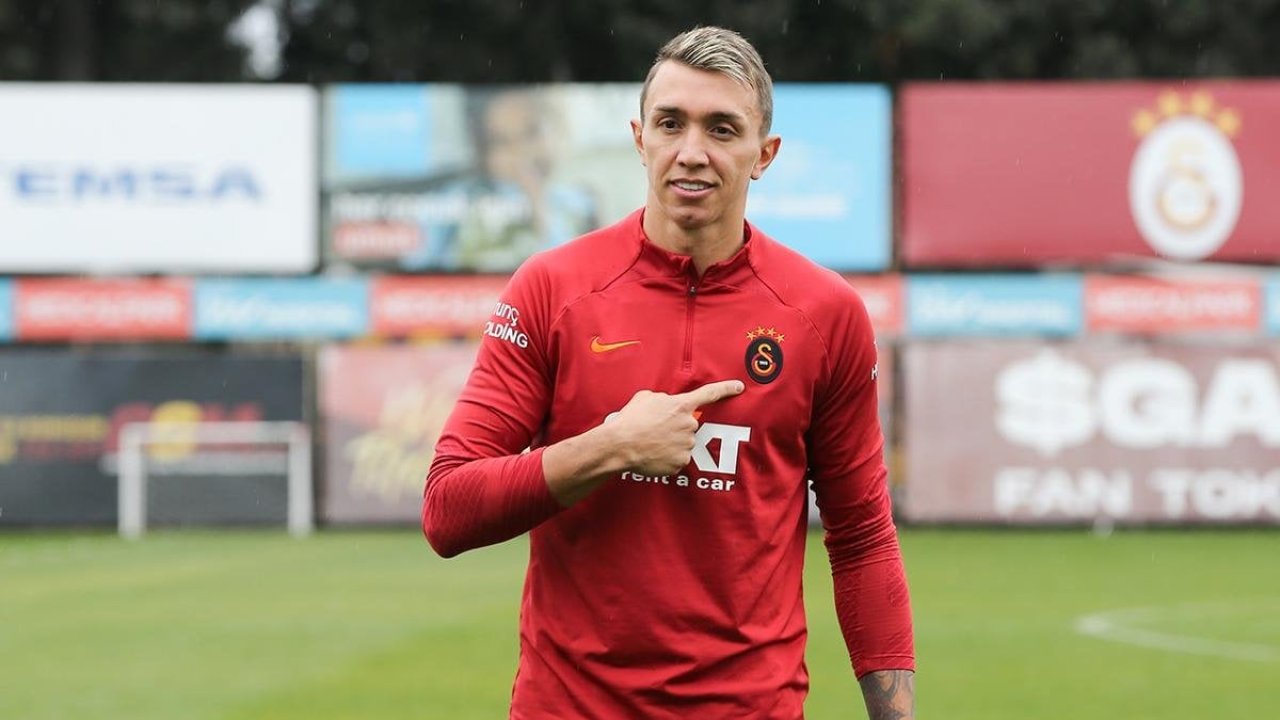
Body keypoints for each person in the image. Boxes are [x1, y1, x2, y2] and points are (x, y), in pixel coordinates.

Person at [423, 25, 915, 719]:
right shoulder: (551, 289)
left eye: (722, 129)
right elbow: (448, 509)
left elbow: (862, 536)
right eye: (670, 123)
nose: (691, 152)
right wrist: (613, 446)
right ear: (639, 138)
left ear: (764, 154)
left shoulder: (825, 314)